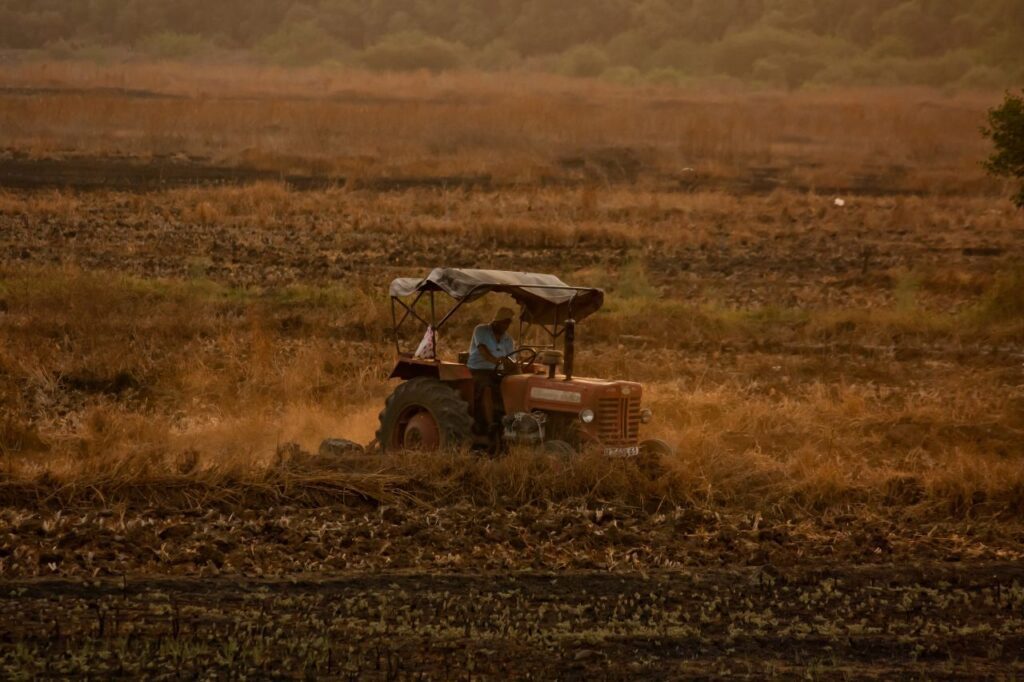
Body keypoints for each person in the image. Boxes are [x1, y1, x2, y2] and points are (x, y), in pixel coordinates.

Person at [467, 306, 516, 432]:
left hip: (498, 371)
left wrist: (516, 371)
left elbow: (512, 359)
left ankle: (512, 421)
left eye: (508, 323)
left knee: (511, 386)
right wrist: (497, 361)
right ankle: (491, 425)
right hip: (478, 369)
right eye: (504, 322)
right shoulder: (481, 330)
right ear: (496, 321)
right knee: (487, 387)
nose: (506, 326)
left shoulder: (508, 339)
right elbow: (483, 350)